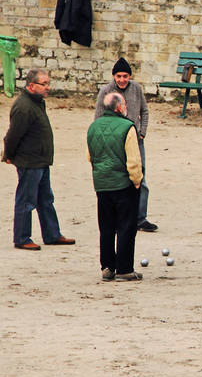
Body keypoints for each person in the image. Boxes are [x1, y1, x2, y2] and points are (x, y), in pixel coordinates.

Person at [3, 69, 75, 250]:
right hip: (29, 162)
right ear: (31, 85)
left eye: (47, 83)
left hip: (41, 161)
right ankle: (22, 237)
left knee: (45, 199)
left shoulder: (37, 102)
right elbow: (13, 136)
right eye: (43, 84)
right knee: (26, 201)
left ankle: (52, 234)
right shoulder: (24, 107)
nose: (47, 87)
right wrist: (8, 155)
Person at [95, 57, 157, 232]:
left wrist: (142, 132)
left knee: (140, 178)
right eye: (119, 76)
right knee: (117, 179)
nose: (122, 80)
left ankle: (140, 217)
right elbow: (98, 119)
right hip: (114, 143)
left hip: (135, 141)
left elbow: (144, 111)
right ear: (114, 76)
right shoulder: (106, 91)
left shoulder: (136, 89)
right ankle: (118, 218)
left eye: (125, 76)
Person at [87, 92, 144, 281]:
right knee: (126, 227)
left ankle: (108, 266)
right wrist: (137, 181)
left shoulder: (93, 127)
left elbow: (90, 156)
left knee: (106, 227)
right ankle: (125, 268)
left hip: (102, 184)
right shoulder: (128, 127)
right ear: (119, 107)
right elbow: (134, 160)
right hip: (122, 184)